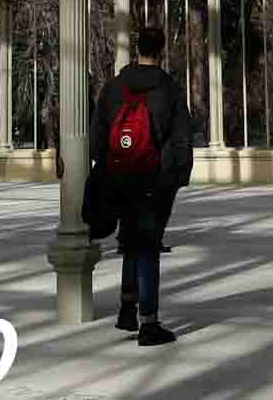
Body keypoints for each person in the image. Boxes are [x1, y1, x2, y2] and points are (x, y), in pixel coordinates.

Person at [87, 24, 194, 345]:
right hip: (155, 179)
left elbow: (96, 140)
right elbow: (182, 140)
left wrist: (108, 167)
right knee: (148, 245)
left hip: (120, 176)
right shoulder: (170, 89)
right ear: (161, 50)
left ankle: (126, 309)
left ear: (137, 49)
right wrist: (177, 178)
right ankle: (149, 323)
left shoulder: (115, 87)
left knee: (131, 240)